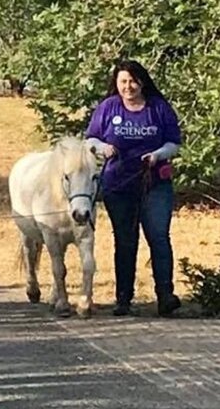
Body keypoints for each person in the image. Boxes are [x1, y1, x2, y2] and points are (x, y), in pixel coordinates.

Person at [86, 60, 181, 317]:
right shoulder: (108, 108)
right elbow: (91, 139)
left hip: (154, 184)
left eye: (132, 81)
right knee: (126, 241)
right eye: (123, 82)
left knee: (159, 238)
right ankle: (123, 299)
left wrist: (158, 154)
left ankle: (165, 295)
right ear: (116, 84)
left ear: (142, 82)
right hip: (118, 185)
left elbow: (174, 142)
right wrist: (102, 148)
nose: (128, 87)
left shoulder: (158, 108)